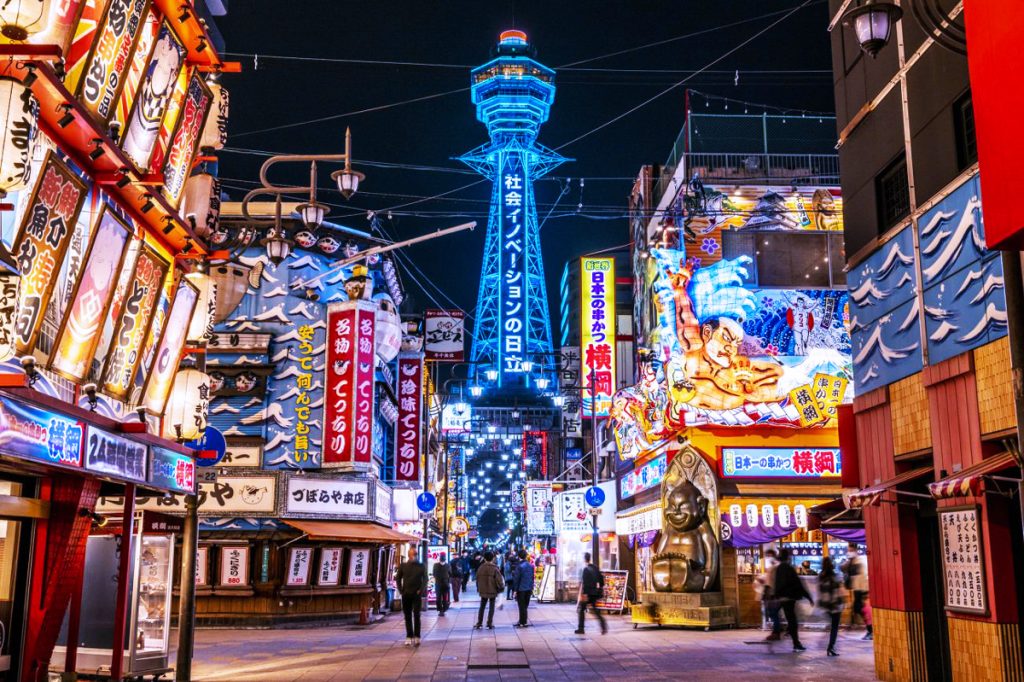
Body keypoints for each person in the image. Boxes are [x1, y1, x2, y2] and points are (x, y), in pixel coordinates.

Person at [772, 548, 813, 651]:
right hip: (789, 598)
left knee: (790, 619)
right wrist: (808, 596)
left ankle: (793, 638)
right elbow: (797, 584)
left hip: (783, 598)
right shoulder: (789, 568)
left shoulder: (779, 569)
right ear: (788, 557)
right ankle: (796, 642)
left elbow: (777, 584)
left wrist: (776, 595)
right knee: (792, 621)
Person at [395, 547, 427, 646]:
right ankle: (409, 636)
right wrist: (401, 590)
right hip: (406, 593)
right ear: (409, 555)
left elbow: (425, 579)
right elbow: (398, 578)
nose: (415, 556)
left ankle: (417, 636)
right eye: (414, 554)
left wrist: (420, 590)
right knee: (407, 615)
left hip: (416, 594)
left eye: (416, 554)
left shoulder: (421, 566)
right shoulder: (403, 566)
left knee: (417, 615)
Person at [818, 556, 846, 656]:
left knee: (832, 626)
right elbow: (839, 592)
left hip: (827, 605)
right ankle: (831, 647)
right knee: (834, 627)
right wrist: (843, 602)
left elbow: (821, 592)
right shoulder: (835, 576)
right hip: (835, 605)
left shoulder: (821, 576)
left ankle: (830, 646)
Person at [843, 544, 871, 639]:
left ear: (855, 550)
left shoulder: (861, 560)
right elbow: (843, 569)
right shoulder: (852, 561)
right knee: (858, 608)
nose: (849, 552)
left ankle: (870, 629)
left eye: (850, 550)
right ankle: (869, 628)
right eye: (848, 550)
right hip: (858, 588)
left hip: (863, 589)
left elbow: (862, 574)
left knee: (862, 609)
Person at [575, 552, 607, 635]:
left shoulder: (586, 569)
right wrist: (599, 588)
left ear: (585, 559)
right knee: (595, 610)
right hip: (595, 593)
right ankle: (603, 625)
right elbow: (601, 580)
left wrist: (584, 594)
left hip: (588, 593)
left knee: (581, 610)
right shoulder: (595, 568)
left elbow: (585, 583)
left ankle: (581, 628)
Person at [756, 549, 783, 641]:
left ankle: (776, 632)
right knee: (774, 613)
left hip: (773, 593)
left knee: (773, 613)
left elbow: (769, 582)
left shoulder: (774, 567)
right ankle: (777, 630)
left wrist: (767, 593)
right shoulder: (775, 566)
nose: (767, 557)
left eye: (768, 555)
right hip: (776, 593)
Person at [474, 551, 504, 630]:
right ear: (493, 558)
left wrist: (478, 588)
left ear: (484, 558)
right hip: (492, 590)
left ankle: (479, 623)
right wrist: (501, 587)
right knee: (491, 606)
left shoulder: (481, 568)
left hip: (483, 590)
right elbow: (499, 580)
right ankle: (489, 623)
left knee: (482, 606)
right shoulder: (495, 568)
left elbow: (477, 579)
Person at [512, 550, 535, 628]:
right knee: (525, 606)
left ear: (519, 556)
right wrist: (532, 587)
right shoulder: (530, 565)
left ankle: (523, 622)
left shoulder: (519, 566)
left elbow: (516, 579)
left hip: (521, 589)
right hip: (528, 588)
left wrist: (515, 590)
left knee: (521, 606)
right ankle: (522, 621)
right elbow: (532, 578)